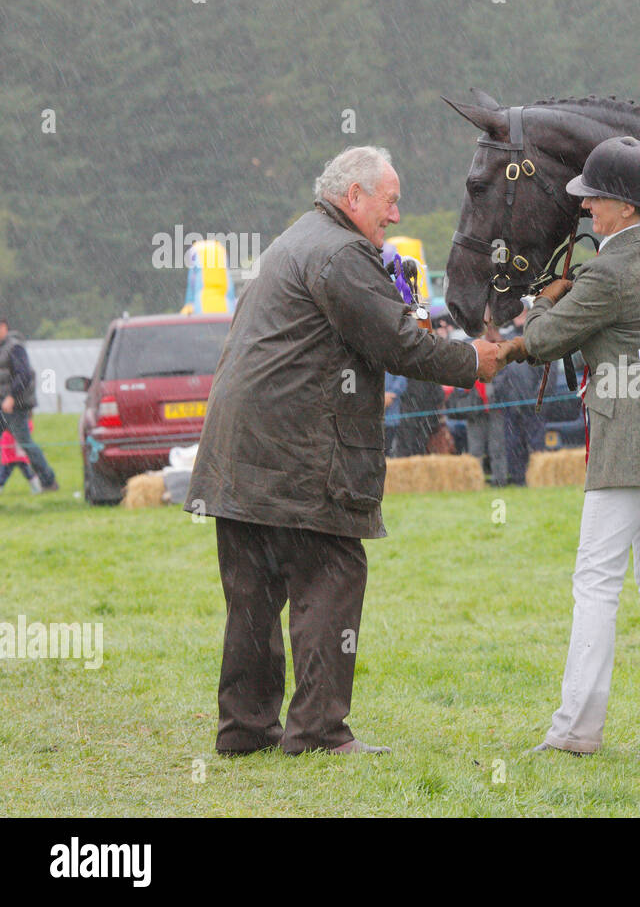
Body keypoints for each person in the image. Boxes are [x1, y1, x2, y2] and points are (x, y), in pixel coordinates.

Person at [186, 146, 506, 757]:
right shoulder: (341, 254)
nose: (395, 213)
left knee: (252, 594)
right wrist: (473, 361)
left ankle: (246, 729)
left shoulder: (293, 241)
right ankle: (318, 732)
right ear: (352, 197)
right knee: (330, 574)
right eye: (389, 200)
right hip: (298, 452)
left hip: (236, 454)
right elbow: (400, 345)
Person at [508, 135, 640, 754]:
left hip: (625, 433)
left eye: (595, 199)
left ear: (624, 207)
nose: (588, 208)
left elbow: (544, 341)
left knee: (596, 579)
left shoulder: (607, 271)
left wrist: (541, 303)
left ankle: (576, 729)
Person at [0, 318, 58, 493]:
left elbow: (24, 375)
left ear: (4, 328)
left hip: (15, 406)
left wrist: (11, 397)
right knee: (24, 444)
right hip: (2, 404)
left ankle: (48, 480)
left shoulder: (15, 347)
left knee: (25, 444)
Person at [0, 421, 42, 493]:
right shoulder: (4, 418)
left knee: (27, 470)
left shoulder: (22, 417)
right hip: (8, 450)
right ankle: (36, 487)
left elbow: (28, 428)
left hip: (18, 450)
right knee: (4, 472)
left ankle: (37, 488)